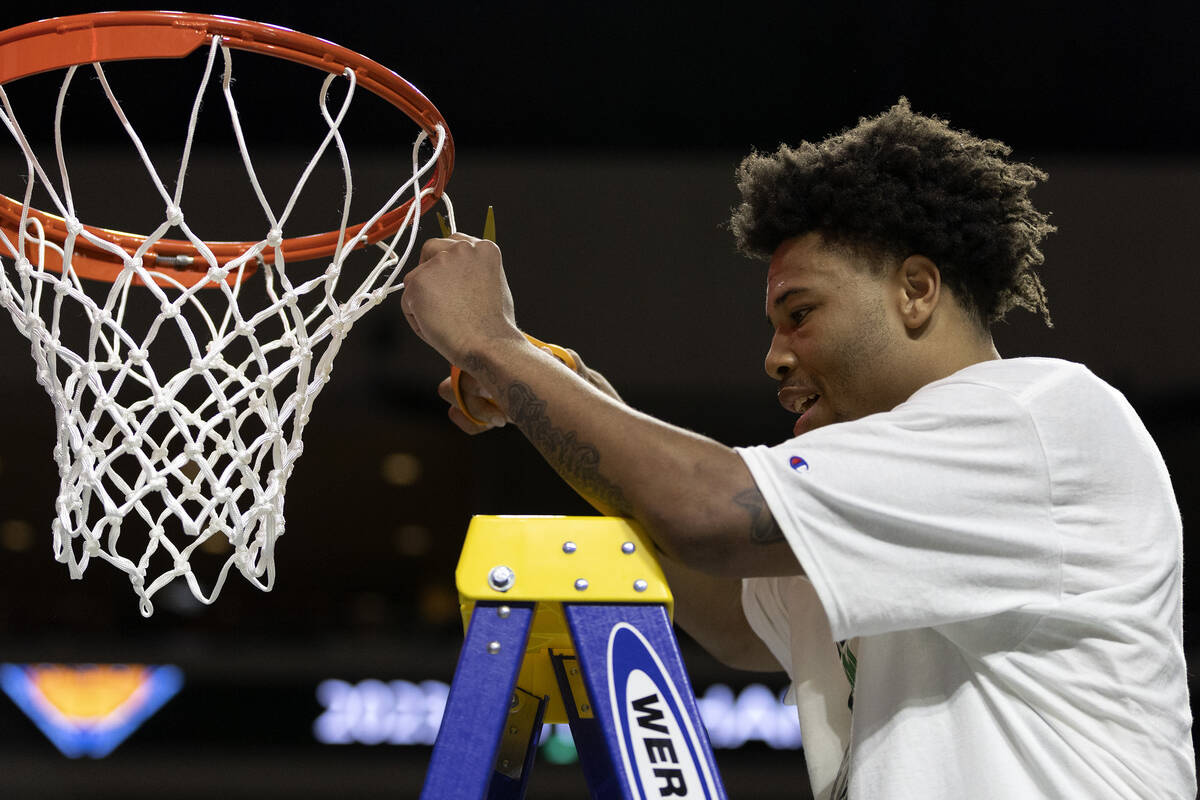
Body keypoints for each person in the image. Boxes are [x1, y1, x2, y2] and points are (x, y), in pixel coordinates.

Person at [399, 99, 1195, 799]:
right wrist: (555, 389)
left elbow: (707, 510)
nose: (775, 357)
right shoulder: (898, 501)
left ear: (916, 289)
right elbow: (735, 615)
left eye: (800, 313)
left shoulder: (1035, 418)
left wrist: (493, 343)